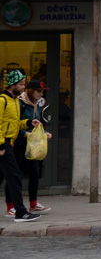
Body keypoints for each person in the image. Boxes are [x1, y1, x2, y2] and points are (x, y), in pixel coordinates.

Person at [0, 68, 38, 222]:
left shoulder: (15, 101)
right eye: (21, 85)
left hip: (9, 143)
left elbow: (14, 124)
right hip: (4, 145)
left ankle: (20, 212)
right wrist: (1, 145)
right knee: (15, 177)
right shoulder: (2, 100)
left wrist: (29, 122)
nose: (23, 87)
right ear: (12, 84)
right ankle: (21, 213)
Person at [15, 80, 50, 213]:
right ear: (31, 91)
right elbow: (14, 124)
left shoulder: (36, 105)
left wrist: (45, 133)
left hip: (32, 145)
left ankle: (33, 203)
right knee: (16, 174)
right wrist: (25, 134)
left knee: (35, 172)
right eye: (38, 91)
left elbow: (38, 125)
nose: (41, 94)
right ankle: (10, 205)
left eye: (42, 92)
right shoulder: (20, 103)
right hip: (18, 144)